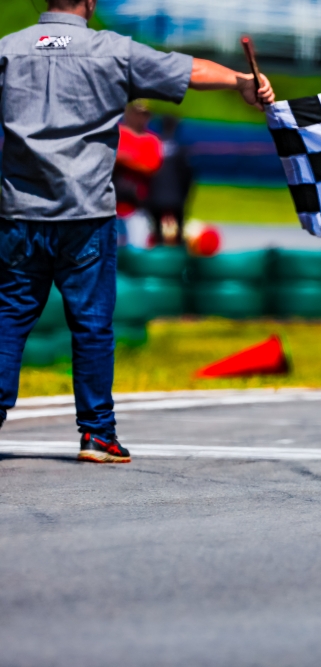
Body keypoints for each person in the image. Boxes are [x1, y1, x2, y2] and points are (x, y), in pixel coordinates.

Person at [0, 0, 274, 463]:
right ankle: (97, 436)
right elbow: (190, 70)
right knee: (90, 326)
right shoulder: (111, 49)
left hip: (19, 214)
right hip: (85, 216)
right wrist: (242, 81)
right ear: (89, 2)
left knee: (8, 319)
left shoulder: (9, 48)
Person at [114, 101, 163, 245]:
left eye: (144, 115)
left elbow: (151, 165)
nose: (140, 118)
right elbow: (109, 156)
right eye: (136, 113)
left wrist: (125, 158)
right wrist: (133, 158)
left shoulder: (151, 140)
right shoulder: (117, 132)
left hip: (138, 204)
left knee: (137, 246)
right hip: (111, 203)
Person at [147, 115, 194, 246]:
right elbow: (187, 175)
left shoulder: (153, 146)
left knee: (157, 232)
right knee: (179, 232)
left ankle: (158, 250)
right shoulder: (181, 149)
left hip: (155, 197)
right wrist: (185, 196)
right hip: (176, 197)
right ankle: (178, 251)